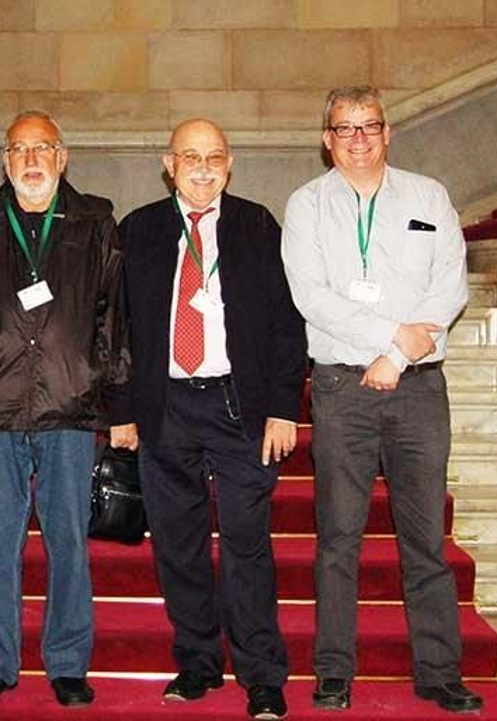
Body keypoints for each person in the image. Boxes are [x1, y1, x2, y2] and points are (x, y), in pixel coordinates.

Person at [280, 86, 481, 714]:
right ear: (327, 139)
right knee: (338, 536)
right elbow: (311, 297)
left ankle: (439, 673)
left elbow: (448, 285)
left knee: (424, 539)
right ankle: (335, 671)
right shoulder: (307, 206)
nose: (359, 138)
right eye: (345, 128)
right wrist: (392, 337)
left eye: (370, 126)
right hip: (343, 387)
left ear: (389, 133)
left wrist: (399, 358)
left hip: (418, 388)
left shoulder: (429, 197)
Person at [111, 118, 305, 720]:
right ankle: (197, 663)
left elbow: (285, 324)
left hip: (238, 406)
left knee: (248, 545)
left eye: (213, 156)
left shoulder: (255, 225)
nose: (202, 167)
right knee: (178, 543)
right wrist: (121, 413)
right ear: (169, 163)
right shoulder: (139, 230)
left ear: (230, 162)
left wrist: (281, 407)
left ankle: (262, 675)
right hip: (165, 407)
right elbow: (114, 329)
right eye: (189, 156)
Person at [0, 110, 129, 708]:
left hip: (68, 407)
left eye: (42, 147)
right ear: (5, 160)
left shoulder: (96, 219)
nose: (31, 159)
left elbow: (113, 316)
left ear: (62, 156)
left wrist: (96, 379)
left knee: (67, 539)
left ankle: (68, 663)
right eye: (19, 149)